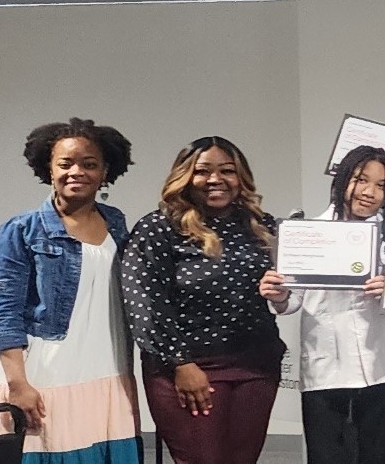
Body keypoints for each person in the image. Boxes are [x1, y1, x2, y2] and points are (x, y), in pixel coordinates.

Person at [120, 136, 284, 464]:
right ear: (185, 177)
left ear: (241, 178)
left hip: (256, 366)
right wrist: (182, 364)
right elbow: (145, 305)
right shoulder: (157, 228)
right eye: (203, 171)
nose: (215, 179)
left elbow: (282, 292)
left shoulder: (260, 225)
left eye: (227, 171)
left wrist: (281, 293)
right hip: (188, 367)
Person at [0, 119, 139, 462]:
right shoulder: (22, 229)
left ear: (106, 171)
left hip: (110, 366)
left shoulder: (116, 223)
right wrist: (18, 384)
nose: (77, 171)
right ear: (49, 167)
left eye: (89, 164)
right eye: (66, 163)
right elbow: (4, 310)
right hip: (49, 373)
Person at [260, 145, 385, 464]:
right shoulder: (309, 233)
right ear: (342, 180)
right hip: (327, 372)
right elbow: (292, 302)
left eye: (381, 185)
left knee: (380, 457)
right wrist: (279, 294)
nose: (369, 192)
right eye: (360, 179)